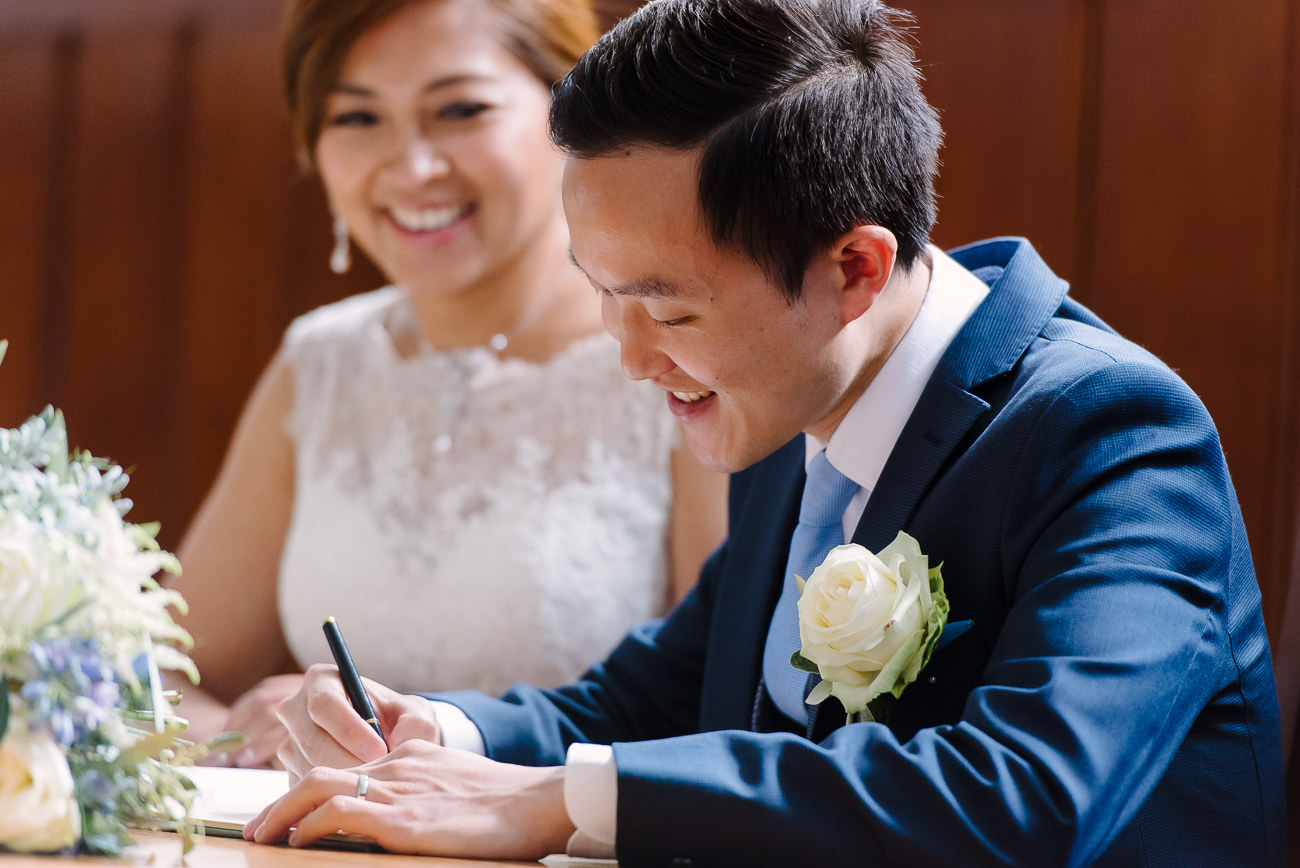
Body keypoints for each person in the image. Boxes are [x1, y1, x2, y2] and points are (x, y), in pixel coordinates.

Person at [242, 0, 1286, 864]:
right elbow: (665, 685)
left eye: (670, 309)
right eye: (602, 296)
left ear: (852, 268)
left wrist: (562, 799)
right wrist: (448, 733)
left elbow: (1023, 794)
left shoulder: (1108, 432)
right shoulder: (785, 399)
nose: (630, 356)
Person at [172, 0, 727, 769]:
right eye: (358, 119)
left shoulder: (677, 356)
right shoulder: (321, 363)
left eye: (460, 109)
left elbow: (723, 707)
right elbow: (162, 680)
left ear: (572, 113)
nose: (412, 167)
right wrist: (242, 734)